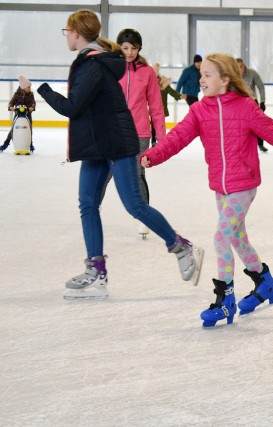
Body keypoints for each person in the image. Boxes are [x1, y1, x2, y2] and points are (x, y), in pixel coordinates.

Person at [139, 53, 273, 327]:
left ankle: (225, 299)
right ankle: (264, 282)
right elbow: (177, 137)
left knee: (221, 238)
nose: (201, 80)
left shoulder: (246, 108)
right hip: (220, 187)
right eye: (201, 75)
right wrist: (153, 155)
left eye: (208, 75)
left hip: (243, 186)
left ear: (225, 79)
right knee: (236, 238)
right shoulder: (200, 111)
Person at [35, 9, 203, 299]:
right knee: (87, 204)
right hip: (97, 145)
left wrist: (41, 89)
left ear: (76, 32)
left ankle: (181, 246)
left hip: (116, 143)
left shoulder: (92, 65)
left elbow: (72, 107)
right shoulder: (93, 61)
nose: (66, 36)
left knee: (134, 205)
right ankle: (96, 272)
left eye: (67, 31)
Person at [113, 28, 166, 237]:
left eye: (133, 48)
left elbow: (156, 106)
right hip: (114, 130)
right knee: (104, 172)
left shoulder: (147, 72)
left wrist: (161, 137)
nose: (129, 52)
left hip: (139, 132)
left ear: (139, 49)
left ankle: (144, 217)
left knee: (137, 173)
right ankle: (93, 211)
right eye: (125, 48)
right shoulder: (111, 69)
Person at [236, 58, 268, 152]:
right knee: (239, 124)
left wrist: (262, 101)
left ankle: (261, 144)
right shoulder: (233, 75)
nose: (239, 69)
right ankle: (241, 145)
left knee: (258, 123)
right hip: (239, 103)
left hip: (252, 101)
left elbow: (261, 86)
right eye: (237, 67)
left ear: (244, 65)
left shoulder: (252, 73)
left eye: (241, 67)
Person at [1, 76, 36, 152]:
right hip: (18, 114)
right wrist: (10, 107)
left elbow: (33, 103)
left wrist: (32, 107)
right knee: (13, 129)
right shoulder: (17, 94)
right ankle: (5, 144)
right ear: (23, 88)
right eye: (28, 87)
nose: (29, 89)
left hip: (27, 114)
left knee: (29, 129)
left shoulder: (31, 94)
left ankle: (30, 144)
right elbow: (11, 102)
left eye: (30, 87)